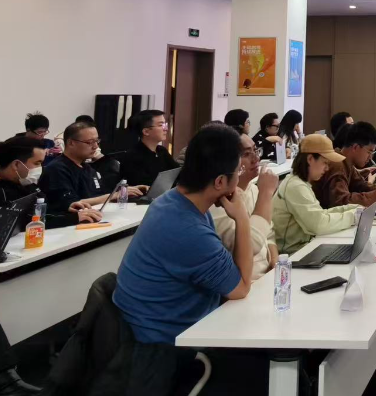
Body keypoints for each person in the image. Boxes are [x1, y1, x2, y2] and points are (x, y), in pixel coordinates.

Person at [114, 124, 254, 393]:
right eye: (238, 172)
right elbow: (241, 288)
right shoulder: (187, 228)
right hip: (165, 349)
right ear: (220, 182)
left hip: (156, 328)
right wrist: (242, 218)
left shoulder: (173, 201)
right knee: (266, 368)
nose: (240, 178)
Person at [0, 137, 103, 228]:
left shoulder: (25, 183)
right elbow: (22, 222)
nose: (40, 168)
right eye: (37, 163)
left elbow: (39, 211)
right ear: (16, 165)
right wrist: (73, 218)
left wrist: (65, 208)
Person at [271, 135, 360, 255]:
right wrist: (353, 217)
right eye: (325, 163)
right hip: (292, 255)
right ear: (310, 159)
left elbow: (320, 214)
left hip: (304, 248)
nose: (327, 168)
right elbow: (319, 225)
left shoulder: (301, 183)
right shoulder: (295, 186)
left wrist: (352, 208)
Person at [210, 133, 279, 279]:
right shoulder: (218, 202)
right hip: (247, 282)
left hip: (267, 275)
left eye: (255, 150)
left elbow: (269, 233)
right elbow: (250, 245)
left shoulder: (254, 189)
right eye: (246, 154)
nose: (256, 159)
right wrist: (266, 194)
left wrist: (274, 259)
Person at [40, 121, 145, 212]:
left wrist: (123, 192)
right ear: (71, 143)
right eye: (90, 142)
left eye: (97, 141)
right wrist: (113, 195)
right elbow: (72, 205)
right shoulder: (57, 169)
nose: (95, 146)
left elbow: (100, 196)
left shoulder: (88, 168)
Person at [315, 122, 376, 208]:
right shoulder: (337, 165)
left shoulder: (346, 162)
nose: (370, 157)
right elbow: (342, 202)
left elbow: (361, 185)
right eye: (369, 152)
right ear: (355, 147)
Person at [118, 109, 179, 187]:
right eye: (161, 125)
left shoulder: (162, 151)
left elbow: (178, 173)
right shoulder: (132, 157)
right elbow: (144, 187)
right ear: (146, 132)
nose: (166, 129)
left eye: (165, 124)